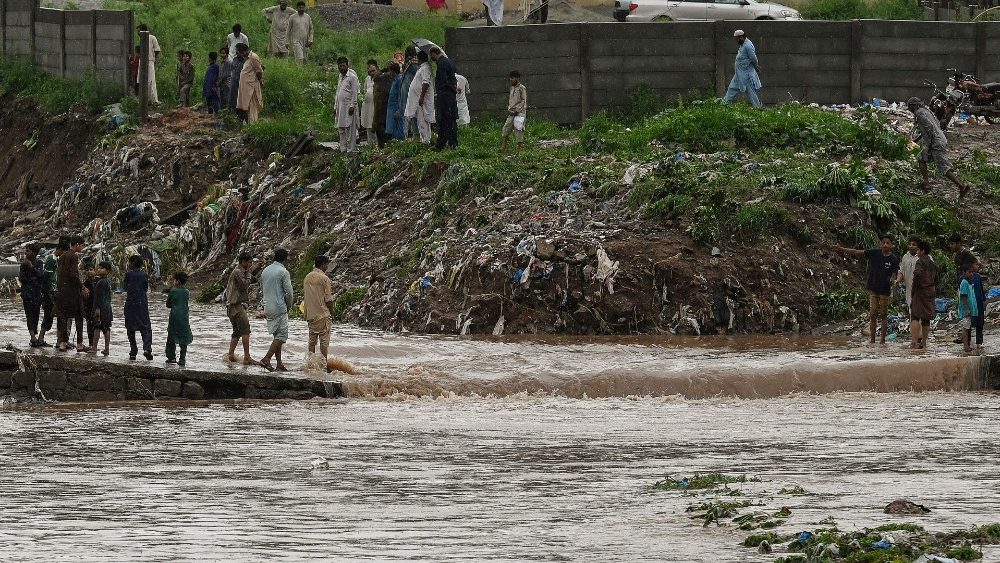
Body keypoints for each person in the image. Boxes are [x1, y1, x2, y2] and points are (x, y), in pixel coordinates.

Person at [832, 235, 900, 345]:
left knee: (883, 315)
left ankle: (882, 341)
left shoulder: (894, 259)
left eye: (888, 243)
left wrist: (895, 292)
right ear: (880, 243)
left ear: (892, 245)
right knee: (872, 314)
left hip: (885, 290)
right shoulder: (875, 253)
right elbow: (857, 252)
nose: (885, 245)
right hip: (873, 288)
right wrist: (842, 249)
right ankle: (872, 340)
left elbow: (894, 277)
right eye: (883, 242)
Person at [907, 96, 971, 197]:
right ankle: (926, 183)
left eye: (909, 107)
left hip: (936, 142)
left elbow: (930, 128)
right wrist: (916, 140)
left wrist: (928, 145)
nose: (909, 110)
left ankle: (961, 186)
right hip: (938, 139)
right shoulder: (925, 111)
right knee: (920, 157)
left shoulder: (919, 113)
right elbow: (932, 126)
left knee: (943, 166)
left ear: (913, 106)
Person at [260, 249, 293, 372]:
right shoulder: (283, 272)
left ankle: (279, 363)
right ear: (285, 259)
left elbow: (263, 289)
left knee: (276, 336)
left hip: (268, 306)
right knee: (282, 336)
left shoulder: (265, 270)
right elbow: (289, 293)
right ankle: (266, 359)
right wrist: (288, 306)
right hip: (279, 307)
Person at [56, 236, 88, 353]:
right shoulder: (73, 256)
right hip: (72, 292)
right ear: (77, 244)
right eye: (82, 245)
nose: (82, 247)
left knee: (64, 317)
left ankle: (63, 343)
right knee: (79, 316)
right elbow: (73, 275)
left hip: (62, 292)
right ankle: (80, 344)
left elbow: (59, 275)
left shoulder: (62, 256)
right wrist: (82, 287)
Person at [303, 255, 335, 364]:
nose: (327, 266)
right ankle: (323, 365)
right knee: (324, 343)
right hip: (323, 314)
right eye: (327, 264)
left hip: (310, 315)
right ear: (323, 264)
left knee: (311, 342)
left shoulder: (307, 277)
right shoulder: (325, 279)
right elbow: (329, 299)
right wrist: (332, 312)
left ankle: (311, 364)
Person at [226, 252, 256, 365]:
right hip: (236, 306)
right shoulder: (238, 272)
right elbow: (244, 285)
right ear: (243, 262)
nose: (250, 264)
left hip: (231, 307)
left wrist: (251, 272)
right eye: (249, 262)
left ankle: (230, 355)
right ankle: (247, 357)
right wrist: (250, 273)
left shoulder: (239, 272)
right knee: (245, 330)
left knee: (237, 332)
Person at [124, 254, 154, 361]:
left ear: (131, 263)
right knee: (145, 327)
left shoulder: (128, 275)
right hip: (142, 304)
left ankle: (133, 351)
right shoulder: (144, 275)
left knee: (130, 328)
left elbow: (125, 288)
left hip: (130, 304)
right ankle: (147, 349)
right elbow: (145, 288)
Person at [909, 239, 938, 350]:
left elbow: (917, 274)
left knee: (915, 316)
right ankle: (924, 343)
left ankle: (914, 343)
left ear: (922, 250)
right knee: (926, 319)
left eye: (918, 250)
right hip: (930, 292)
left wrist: (914, 289)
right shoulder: (932, 264)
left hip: (920, 292)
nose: (917, 252)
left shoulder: (920, 262)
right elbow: (936, 279)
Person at [724, 30, 762, 109]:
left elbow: (753, 58)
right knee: (732, 88)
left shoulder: (748, 46)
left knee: (751, 92)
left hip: (746, 75)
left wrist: (756, 66)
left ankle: (758, 108)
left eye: (737, 39)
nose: (736, 41)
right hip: (739, 74)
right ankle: (725, 105)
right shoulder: (743, 44)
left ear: (741, 37)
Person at [430, 46, 459, 150]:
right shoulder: (449, 61)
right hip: (450, 95)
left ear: (434, 53)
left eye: (431, 55)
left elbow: (443, 81)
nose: (431, 57)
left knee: (445, 120)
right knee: (450, 119)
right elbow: (453, 77)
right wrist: (454, 87)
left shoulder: (441, 64)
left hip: (445, 95)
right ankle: (450, 143)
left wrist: (440, 92)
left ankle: (443, 144)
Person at [404, 50, 435, 144]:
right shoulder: (423, 68)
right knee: (420, 121)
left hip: (421, 100)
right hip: (418, 99)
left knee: (423, 120)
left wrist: (421, 97)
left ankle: (426, 141)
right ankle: (424, 139)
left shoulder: (426, 68)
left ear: (420, 58)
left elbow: (426, 83)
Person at [18, 244, 45, 347]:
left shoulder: (38, 263)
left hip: (37, 293)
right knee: (29, 314)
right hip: (27, 294)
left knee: (36, 314)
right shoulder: (23, 264)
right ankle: (32, 336)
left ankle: (35, 336)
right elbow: (22, 278)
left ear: (34, 253)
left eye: (28, 251)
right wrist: (33, 278)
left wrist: (31, 267)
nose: (26, 253)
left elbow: (41, 275)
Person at [165, 272, 193, 367]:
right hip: (184, 316)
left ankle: (171, 357)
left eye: (174, 280)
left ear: (178, 281)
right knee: (184, 337)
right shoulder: (187, 292)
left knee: (171, 336)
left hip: (174, 315)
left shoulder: (173, 291)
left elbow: (168, 304)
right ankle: (182, 358)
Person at [335, 57, 360, 153]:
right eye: (340, 66)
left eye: (343, 66)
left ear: (347, 65)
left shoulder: (352, 77)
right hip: (340, 107)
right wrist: (335, 106)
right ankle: (343, 149)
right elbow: (338, 92)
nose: (342, 68)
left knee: (350, 129)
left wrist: (352, 106)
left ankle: (350, 150)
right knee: (341, 128)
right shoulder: (340, 77)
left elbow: (354, 92)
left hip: (349, 107)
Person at [37, 245, 59, 348]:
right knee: (48, 315)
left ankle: (42, 339)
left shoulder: (54, 259)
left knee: (50, 315)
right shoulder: (52, 259)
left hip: (51, 291)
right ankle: (40, 339)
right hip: (49, 292)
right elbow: (46, 275)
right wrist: (47, 291)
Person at [237, 43, 264, 123]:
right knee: (246, 106)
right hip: (246, 87)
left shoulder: (253, 57)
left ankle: (253, 124)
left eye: (241, 52)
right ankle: (249, 124)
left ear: (244, 51)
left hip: (252, 86)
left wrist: (259, 81)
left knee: (252, 105)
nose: (241, 55)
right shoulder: (247, 58)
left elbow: (259, 72)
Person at [501, 70, 527, 152]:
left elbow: (523, 100)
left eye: (512, 78)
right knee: (506, 128)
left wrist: (517, 110)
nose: (510, 79)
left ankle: (520, 147)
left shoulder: (522, 88)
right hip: (511, 112)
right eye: (510, 78)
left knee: (518, 129)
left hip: (519, 113)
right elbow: (511, 100)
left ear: (517, 78)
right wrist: (509, 109)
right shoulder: (512, 87)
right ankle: (504, 146)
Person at [91, 261, 113, 357]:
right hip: (107, 308)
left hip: (101, 308)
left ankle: (94, 347)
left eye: (101, 268)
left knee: (97, 328)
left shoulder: (102, 282)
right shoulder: (106, 281)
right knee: (106, 328)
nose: (99, 269)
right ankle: (106, 349)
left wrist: (97, 309)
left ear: (107, 271)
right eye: (99, 267)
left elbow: (100, 297)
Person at [895, 236, 920, 315]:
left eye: (914, 244)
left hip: (922, 290)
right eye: (910, 244)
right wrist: (897, 280)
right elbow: (901, 271)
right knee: (912, 311)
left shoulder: (925, 257)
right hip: (909, 290)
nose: (911, 246)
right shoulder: (905, 257)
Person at [137, 24, 161, 105]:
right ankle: (146, 99)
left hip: (149, 60)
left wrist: (154, 59)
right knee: (142, 80)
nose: (138, 32)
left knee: (151, 80)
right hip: (142, 61)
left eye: (139, 30)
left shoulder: (152, 37)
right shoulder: (141, 39)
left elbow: (157, 50)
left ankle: (154, 100)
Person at [957, 264, 979, 354]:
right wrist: (966, 309)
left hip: (971, 307)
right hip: (966, 309)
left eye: (972, 272)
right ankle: (965, 346)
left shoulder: (970, 281)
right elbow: (963, 296)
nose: (971, 274)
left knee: (968, 327)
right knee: (966, 327)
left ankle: (967, 345)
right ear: (965, 272)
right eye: (969, 272)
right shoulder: (964, 282)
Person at [372, 62, 393, 147]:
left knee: (381, 126)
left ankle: (383, 145)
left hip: (383, 106)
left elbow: (376, 77)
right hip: (383, 106)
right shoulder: (387, 78)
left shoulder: (382, 78)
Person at [385, 63, 406, 141]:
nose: (389, 73)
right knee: (391, 128)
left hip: (396, 107)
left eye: (390, 71)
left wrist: (399, 109)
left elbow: (401, 95)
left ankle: (399, 143)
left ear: (393, 72)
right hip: (391, 107)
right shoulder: (394, 80)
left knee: (398, 127)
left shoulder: (399, 80)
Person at [361, 60, 379, 145]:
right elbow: (365, 90)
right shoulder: (367, 79)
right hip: (367, 106)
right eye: (370, 71)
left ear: (377, 69)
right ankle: (370, 144)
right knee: (368, 125)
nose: (372, 73)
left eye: (373, 71)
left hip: (376, 106)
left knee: (376, 125)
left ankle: (377, 145)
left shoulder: (380, 78)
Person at [82, 262, 97, 350]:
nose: (89, 271)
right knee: (90, 327)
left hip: (97, 307)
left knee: (99, 327)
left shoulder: (98, 281)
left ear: (95, 271)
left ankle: (96, 345)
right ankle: (91, 344)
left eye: (91, 270)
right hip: (88, 307)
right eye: (87, 270)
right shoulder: (85, 284)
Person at [971, 261, 986, 350]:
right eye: (976, 264)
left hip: (979, 302)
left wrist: (983, 300)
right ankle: (968, 342)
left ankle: (979, 341)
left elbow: (981, 289)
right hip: (971, 303)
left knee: (980, 323)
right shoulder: (965, 278)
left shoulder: (977, 276)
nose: (978, 266)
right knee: (969, 323)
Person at [229, 45, 247, 112]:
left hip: (242, 85)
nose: (237, 52)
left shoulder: (247, 61)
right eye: (236, 50)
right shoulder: (234, 59)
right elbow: (232, 70)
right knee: (232, 99)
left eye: (238, 50)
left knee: (240, 101)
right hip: (233, 83)